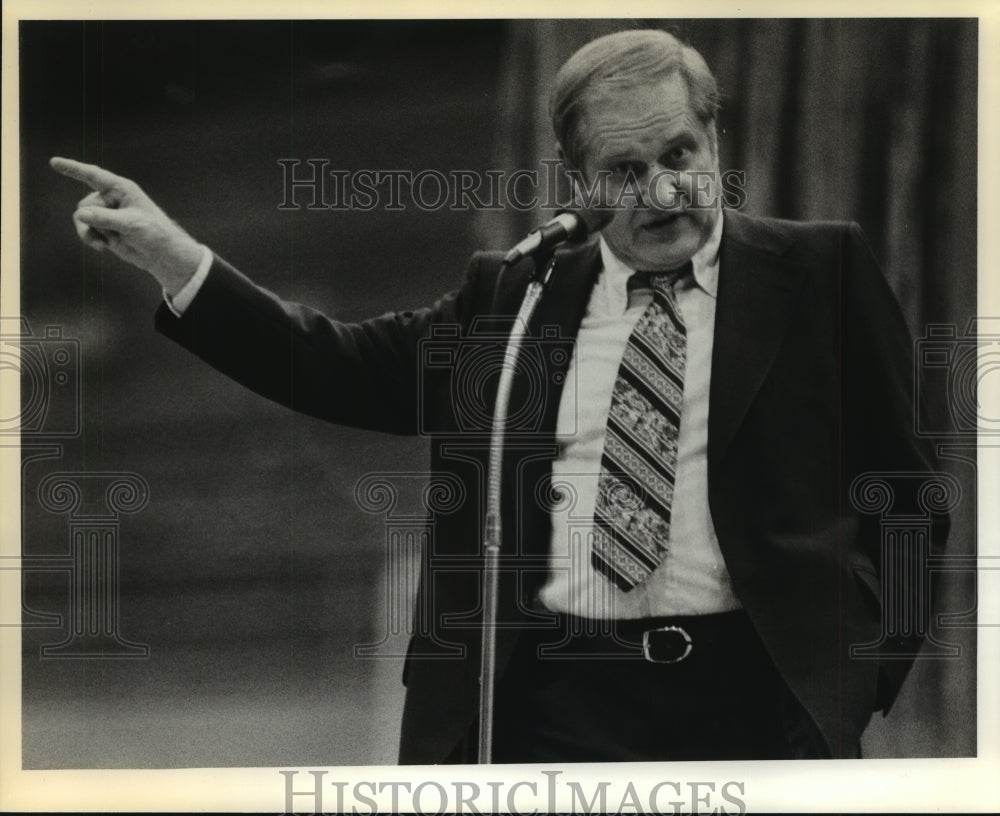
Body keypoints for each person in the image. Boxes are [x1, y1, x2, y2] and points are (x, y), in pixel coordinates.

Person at [50, 28, 949, 763]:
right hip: (552, 712)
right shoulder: (517, 295)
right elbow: (336, 364)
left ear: (713, 138)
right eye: (625, 170)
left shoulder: (819, 273)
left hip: (762, 714)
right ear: (579, 178)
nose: (664, 187)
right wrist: (176, 257)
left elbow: (907, 496)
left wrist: (856, 680)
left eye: (680, 152)